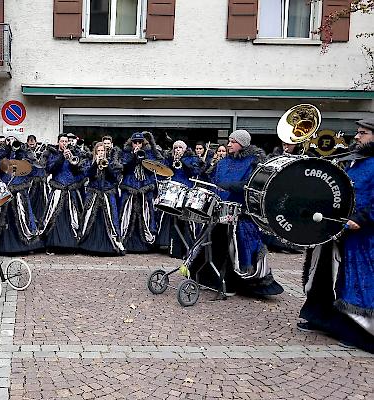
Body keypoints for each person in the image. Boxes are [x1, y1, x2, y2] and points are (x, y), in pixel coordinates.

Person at [298, 118, 374, 353]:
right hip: (336, 226)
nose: (357, 137)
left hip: (362, 234)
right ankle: (320, 318)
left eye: (363, 133)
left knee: (356, 282)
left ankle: (360, 333)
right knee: (324, 274)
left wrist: (361, 219)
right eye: (358, 132)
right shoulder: (353, 159)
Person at [200, 129, 284, 296]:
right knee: (214, 243)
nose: (229, 144)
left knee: (238, 248)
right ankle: (209, 278)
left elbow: (253, 184)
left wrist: (231, 186)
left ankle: (237, 283)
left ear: (243, 143)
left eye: (233, 141)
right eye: (229, 141)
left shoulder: (254, 161)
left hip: (241, 213)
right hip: (219, 210)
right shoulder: (222, 162)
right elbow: (213, 180)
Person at [0, 136, 43, 254]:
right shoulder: (1, 154)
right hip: (4, 190)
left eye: (13, 139)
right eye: (8, 140)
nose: (11, 142)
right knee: (0, 217)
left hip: (20, 191)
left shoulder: (25, 153)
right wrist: (4, 158)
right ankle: (0, 244)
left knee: (23, 216)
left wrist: (25, 160)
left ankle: (25, 245)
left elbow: (36, 171)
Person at [40, 133, 88, 252]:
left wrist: (73, 163)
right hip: (58, 188)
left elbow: (79, 173)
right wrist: (62, 157)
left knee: (73, 216)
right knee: (54, 215)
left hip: (71, 190)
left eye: (66, 141)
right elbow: (50, 169)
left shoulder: (75, 154)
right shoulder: (53, 154)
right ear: (58, 142)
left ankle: (72, 244)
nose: (64, 143)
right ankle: (53, 244)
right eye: (62, 141)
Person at [156, 140, 203, 258]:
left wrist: (182, 161)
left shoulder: (191, 158)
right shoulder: (170, 159)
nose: (177, 150)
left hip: (186, 191)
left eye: (180, 148)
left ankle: (187, 248)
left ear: (184, 149)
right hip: (173, 192)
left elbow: (195, 172)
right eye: (175, 147)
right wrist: (172, 162)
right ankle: (174, 249)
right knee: (173, 221)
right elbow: (163, 172)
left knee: (185, 221)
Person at [119, 132, 163, 252]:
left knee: (146, 213)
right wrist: (133, 157)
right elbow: (123, 168)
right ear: (131, 143)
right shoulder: (126, 153)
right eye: (135, 142)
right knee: (127, 213)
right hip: (130, 186)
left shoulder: (148, 153)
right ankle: (127, 242)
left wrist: (144, 158)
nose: (137, 144)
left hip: (145, 186)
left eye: (140, 142)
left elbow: (156, 167)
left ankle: (145, 244)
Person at [79, 141, 124, 255]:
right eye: (98, 151)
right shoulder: (90, 161)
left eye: (102, 151)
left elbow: (114, 178)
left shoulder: (111, 162)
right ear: (95, 152)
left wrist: (106, 166)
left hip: (107, 193)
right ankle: (89, 244)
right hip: (93, 193)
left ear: (105, 152)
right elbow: (88, 175)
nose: (100, 152)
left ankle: (111, 245)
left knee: (110, 218)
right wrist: (96, 164)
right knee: (90, 217)